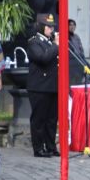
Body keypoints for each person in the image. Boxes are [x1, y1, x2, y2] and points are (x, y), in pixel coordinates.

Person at [26, 13, 60, 158]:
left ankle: (51, 146)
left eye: (52, 26)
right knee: (39, 119)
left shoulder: (49, 42)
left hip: (52, 85)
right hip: (39, 87)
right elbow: (43, 58)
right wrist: (56, 45)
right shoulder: (34, 42)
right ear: (40, 26)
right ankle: (38, 148)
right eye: (48, 26)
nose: (51, 29)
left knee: (52, 119)